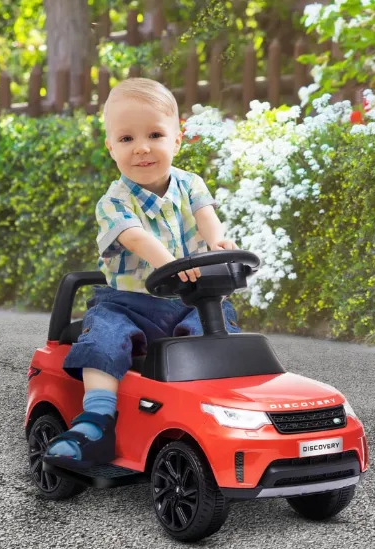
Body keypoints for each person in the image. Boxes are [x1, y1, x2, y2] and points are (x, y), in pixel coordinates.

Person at [43, 77, 241, 472]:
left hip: (188, 299)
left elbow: (207, 218)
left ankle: (220, 403)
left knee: (219, 322)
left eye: (154, 135)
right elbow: (135, 237)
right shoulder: (113, 202)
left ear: (177, 140)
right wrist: (168, 261)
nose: (142, 147)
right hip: (127, 303)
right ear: (111, 148)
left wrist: (219, 244)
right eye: (127, 138)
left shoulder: (190, 184)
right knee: (104, 331)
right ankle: (97, 421)